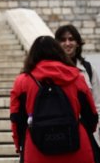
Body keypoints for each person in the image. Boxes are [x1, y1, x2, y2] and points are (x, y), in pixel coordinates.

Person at [10, 35, 98, 163]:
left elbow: (17, 120)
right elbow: (91, 116)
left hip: (36, 151)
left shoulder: (22, 82)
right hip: (77, 147)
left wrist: (20, 146)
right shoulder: (77, 77)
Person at [55, 24, 100, 162]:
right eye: (63, 40)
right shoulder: (52, 70)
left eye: (71, 39)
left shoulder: (88, 69)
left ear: (78, 43)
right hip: (59, 131)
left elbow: (97, 103)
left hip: (87, 131)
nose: (67, 43)